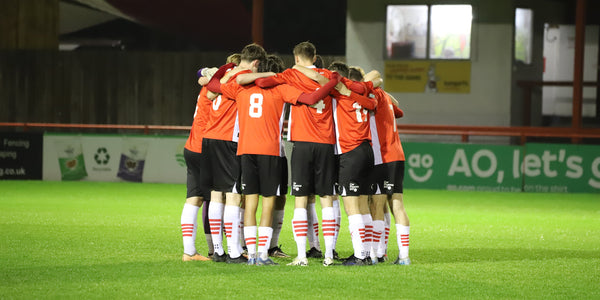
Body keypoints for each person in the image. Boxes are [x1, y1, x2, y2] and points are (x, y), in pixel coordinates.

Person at [213, 54, 341, 265]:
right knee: (268, 205)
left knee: (250, 203)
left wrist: (230, 67)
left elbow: (214, 85)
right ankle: (263, 254)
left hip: (245, 150)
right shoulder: (281, 89)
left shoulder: (240, 89)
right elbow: (310, 99)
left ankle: (251, 254)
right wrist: (333, 82)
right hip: (270, 151)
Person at [291, 62, 380, 266]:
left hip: (350, 151)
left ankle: (359, 256)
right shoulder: (365, 94)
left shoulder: (340, 94)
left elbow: (328, 82)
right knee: (362, 203)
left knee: (350, 206)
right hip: (367, 151)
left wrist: (298, 67)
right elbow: (375, 81)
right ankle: (368, 254)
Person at [203, 44, 267, 263]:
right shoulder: (245, 76)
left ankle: (218, 251)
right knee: (232, 194)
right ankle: (234, 252)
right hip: (228, 137)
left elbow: (211, 92)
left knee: (215, 194)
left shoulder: (228, 74)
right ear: (256, 63)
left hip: (209, 136)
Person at [180, 72, 214, 262]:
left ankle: (189, 251)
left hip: (192, 146)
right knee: (217, 199)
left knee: (194, 199)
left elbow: (202, 72)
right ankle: (217, 249)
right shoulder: (216, 89)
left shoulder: (206, 87)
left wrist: (206, 75)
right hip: (205, 148)